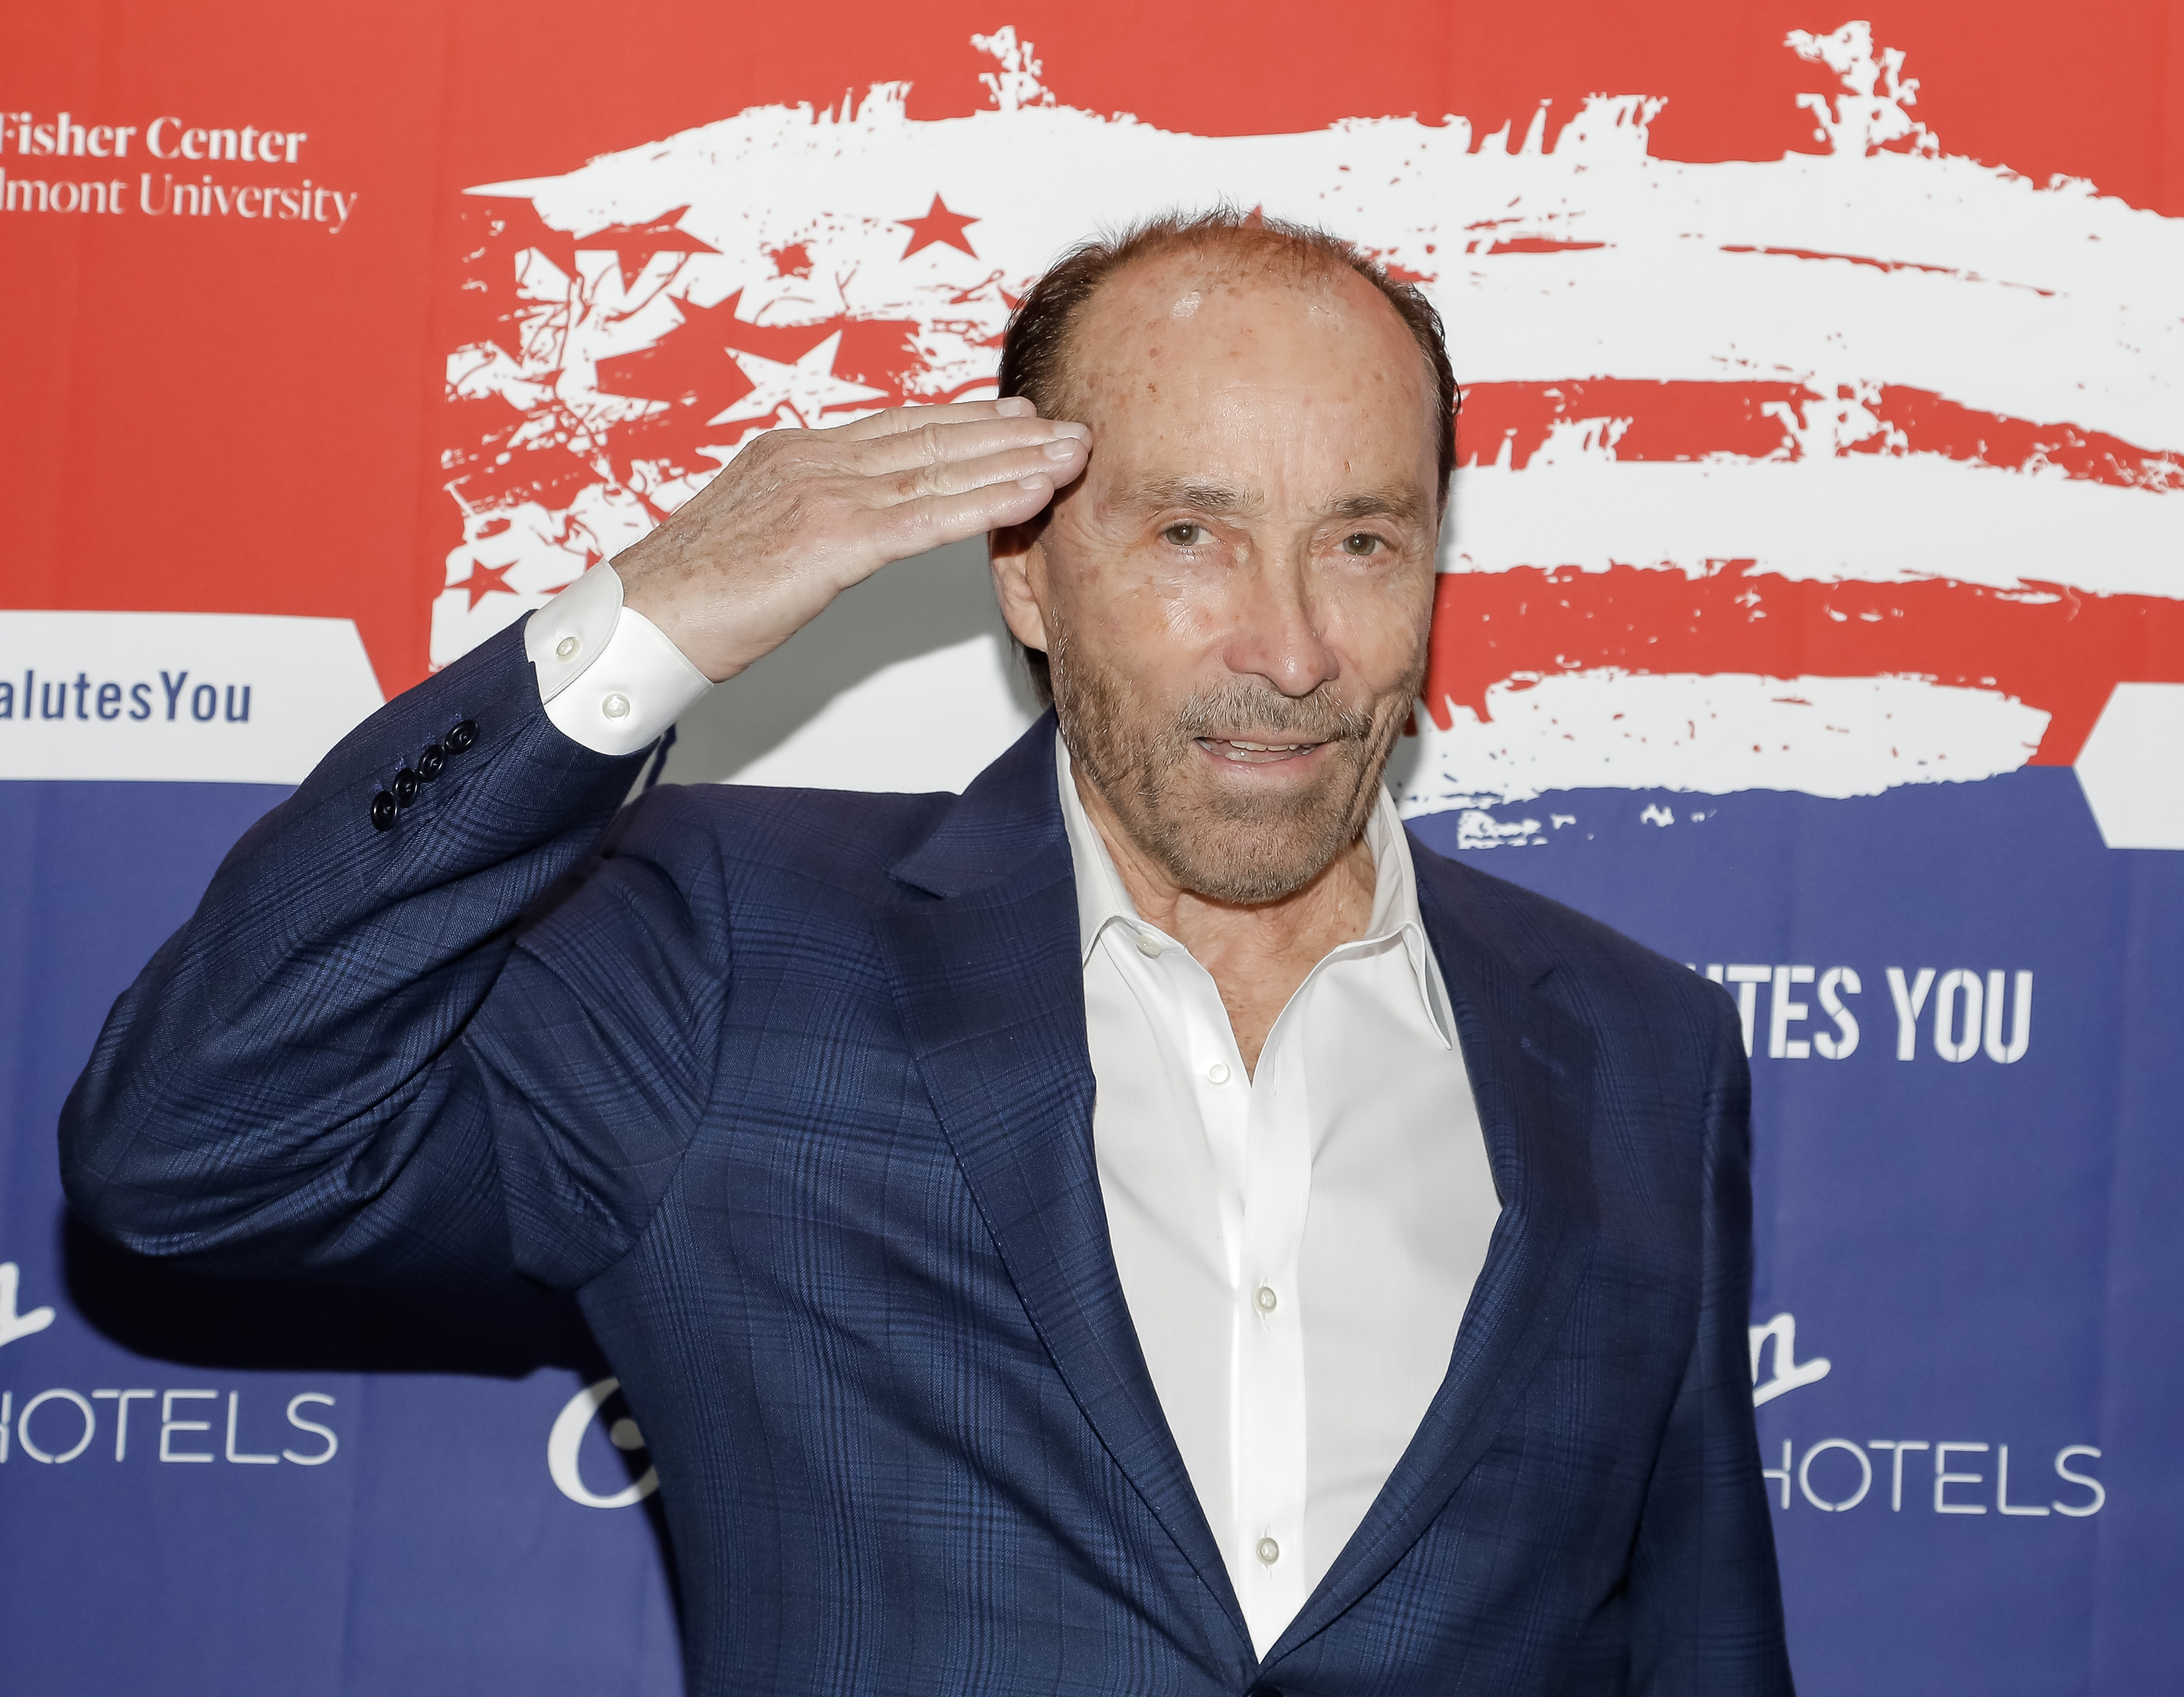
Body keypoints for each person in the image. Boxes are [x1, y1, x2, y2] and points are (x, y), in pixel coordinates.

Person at [61, 210, 1791, 1695]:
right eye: (1189, 535)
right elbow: (193, 1150)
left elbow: (1702, 1642)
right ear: (1028, 576)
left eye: (1361, 540)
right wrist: (649, 623)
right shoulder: (736, 956)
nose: (1289, 646)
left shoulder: (1636, 1047)